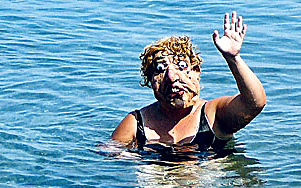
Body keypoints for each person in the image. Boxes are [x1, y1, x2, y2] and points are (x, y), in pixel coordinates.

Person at [109, 12, 266, 157]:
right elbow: (107, 153)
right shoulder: (136, 123)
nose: (171, 76)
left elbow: (254, 103)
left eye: (181, 66)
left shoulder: (213, 115)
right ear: (150, 81)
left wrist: (233, 58)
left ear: (196, 71)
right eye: (160, 70)